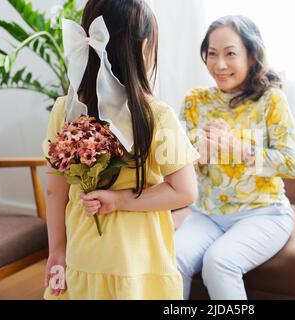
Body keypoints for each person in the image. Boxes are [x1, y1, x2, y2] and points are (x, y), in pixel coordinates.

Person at [43, 0, 199, 300]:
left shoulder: (65, 109)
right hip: (139, 262)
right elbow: (185, 191)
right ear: (142, 50)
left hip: (83, 255)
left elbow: (55, 191)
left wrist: (57, 252)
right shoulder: (155, 114)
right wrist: (118, 201)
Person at [175, 15, 295, 300]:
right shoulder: (195, 101)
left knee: (219, 263)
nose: (219, 65)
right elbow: (182, 165)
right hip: (206, 215)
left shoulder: (271, 100)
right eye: (212, 54)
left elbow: (293, 162)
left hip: (264, 214)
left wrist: (240, 150)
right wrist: (202, 153)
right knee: (172, 260)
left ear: (251, 55)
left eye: (230, 54)